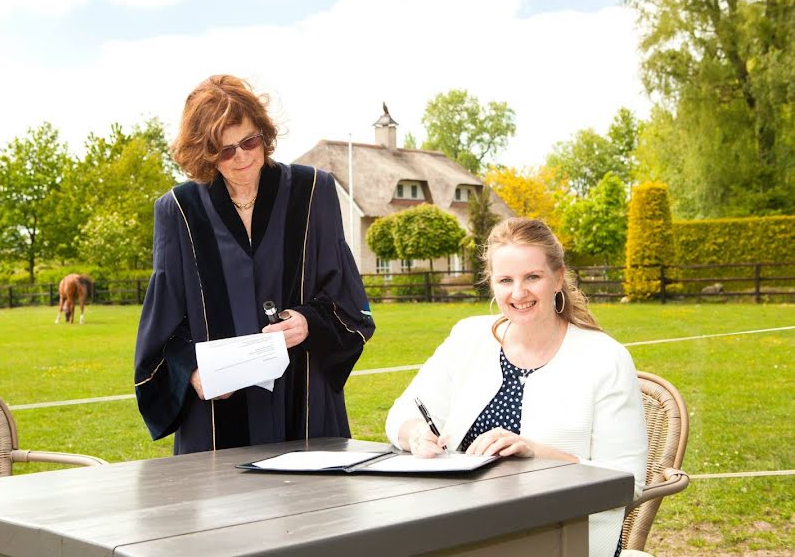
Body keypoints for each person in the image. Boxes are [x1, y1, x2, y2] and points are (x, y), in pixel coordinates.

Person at [134, 74, 375, 454]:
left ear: (264, 133)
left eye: (249, 141)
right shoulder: (178, 211)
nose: (242, 156)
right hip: (216, 418)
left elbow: (347, 300)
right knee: (223, 514)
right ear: (205, 153)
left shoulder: (314, 193)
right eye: (225, 150)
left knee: (314, 512)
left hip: (305, 403)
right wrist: (192, 373)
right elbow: (164, 326)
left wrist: (309, 321)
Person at [385, 217, 646, 557]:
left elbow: (628, 482)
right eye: (505, 279)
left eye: (532, 277)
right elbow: (401, 415)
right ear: (491, 283)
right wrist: (416, 433)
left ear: (558, 277)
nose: (518, 293)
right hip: (458, 528)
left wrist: (536, 452)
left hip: (563, 537)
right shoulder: (468, 337)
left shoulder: (605, 358)